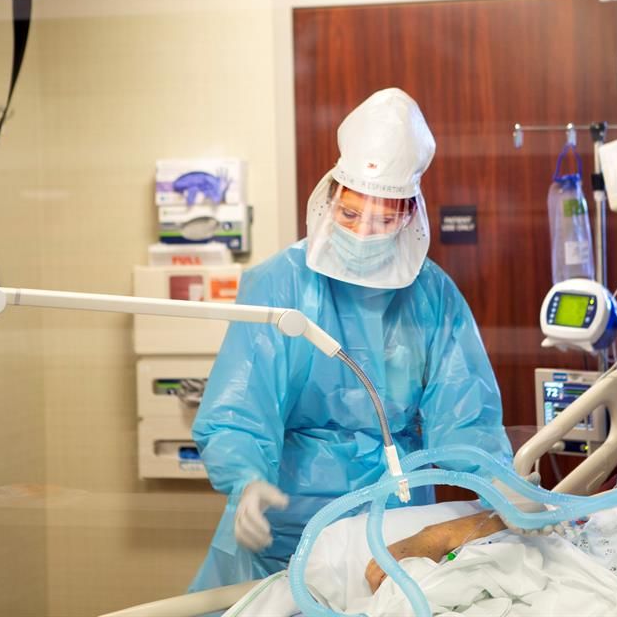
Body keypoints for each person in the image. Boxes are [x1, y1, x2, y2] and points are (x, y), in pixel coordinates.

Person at [189, 87, 512, 591]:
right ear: (331, 196)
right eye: (350, 214)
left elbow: (466, 417)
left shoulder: (432, 296)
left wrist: (499, 486)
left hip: (393, 532)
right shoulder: (280, 284)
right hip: (283, 524)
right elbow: (238, 409)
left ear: (409, 215)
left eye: (383, 219)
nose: (362, 232)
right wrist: (246, 480)